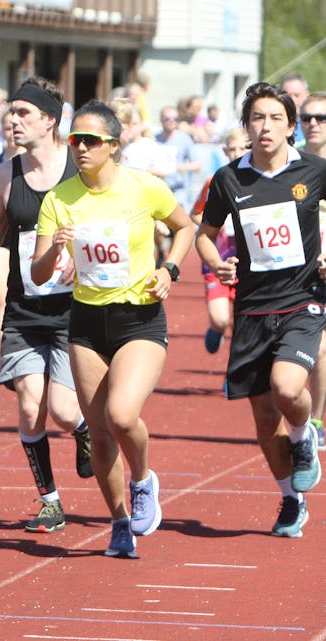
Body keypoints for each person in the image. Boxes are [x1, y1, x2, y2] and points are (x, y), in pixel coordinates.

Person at [32, 101, 195, 558]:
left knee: (122, 415)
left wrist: (169, 270)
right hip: (86, 321)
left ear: (113, 145)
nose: (81, 148)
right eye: (74, 140)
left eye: (91, 141)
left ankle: (143, 480)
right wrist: (55, 250)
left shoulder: (144, 188)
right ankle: (120, 521)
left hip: (139, 318)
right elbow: (40, 273)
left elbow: (184, 228)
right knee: (100, 432)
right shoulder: (59, 199)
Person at [196, 82, 325, 538]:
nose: (265, 126)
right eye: (257, 118)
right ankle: (291, 499)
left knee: (287, 389)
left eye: (275, 118)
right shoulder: (229, 179)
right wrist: (219, 264)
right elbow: (204, 234)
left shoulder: (315, 169)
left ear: (291, 126)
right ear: (246, 126)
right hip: (252, 308)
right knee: (264, 415)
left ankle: (305, 432)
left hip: (303, 299)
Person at [0, 77, 93, 534]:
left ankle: (86, 432)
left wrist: (83, 263)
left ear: (50, 120)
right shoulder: (6, 174)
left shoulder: (80, 169)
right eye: (11, 112)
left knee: (66, 413)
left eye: (23, 113)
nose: (13, 120)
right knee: (31, 408)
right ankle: (50, 500)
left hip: (75, 309)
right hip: (25, 311)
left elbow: (111, 227)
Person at [188, 128, 249, 354]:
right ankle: (216, 328)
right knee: (221, 318)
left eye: (242, 148)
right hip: (218, 258)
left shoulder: (258, 182)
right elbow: (195, 213)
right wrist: (218, 225)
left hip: (247, 260)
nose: (237, 153)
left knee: (243, 324)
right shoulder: (215, 180)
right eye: (232, 149)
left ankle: (233, 375)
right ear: (224, 151)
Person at [301, 92, 326, 448]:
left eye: (322, 118)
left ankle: (316, 419)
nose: (314, 124)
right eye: (307, 118)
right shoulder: (290, 163)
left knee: (321, 351)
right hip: (296, 269)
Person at [281, 72, 310, 147]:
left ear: (307, 95)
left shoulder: (316, 124)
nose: (292, 100)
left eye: (297, 95)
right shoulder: (273, 124)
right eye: (288, 96)